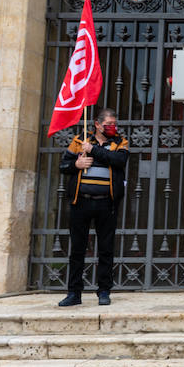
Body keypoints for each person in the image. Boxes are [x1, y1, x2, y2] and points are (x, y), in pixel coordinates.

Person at [58, 109, 128, 307]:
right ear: (97, 124)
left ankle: (104, 291)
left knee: (106, 249)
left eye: (114, 123)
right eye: (108, 124)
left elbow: (119, 161)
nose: (112, 127)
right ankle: (74, 293)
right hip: (81, 202)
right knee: (78, 249)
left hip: (107, 203)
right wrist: (77, 164)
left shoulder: (119, 143)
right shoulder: (80, 140)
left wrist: (94, 150)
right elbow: (63, 166)